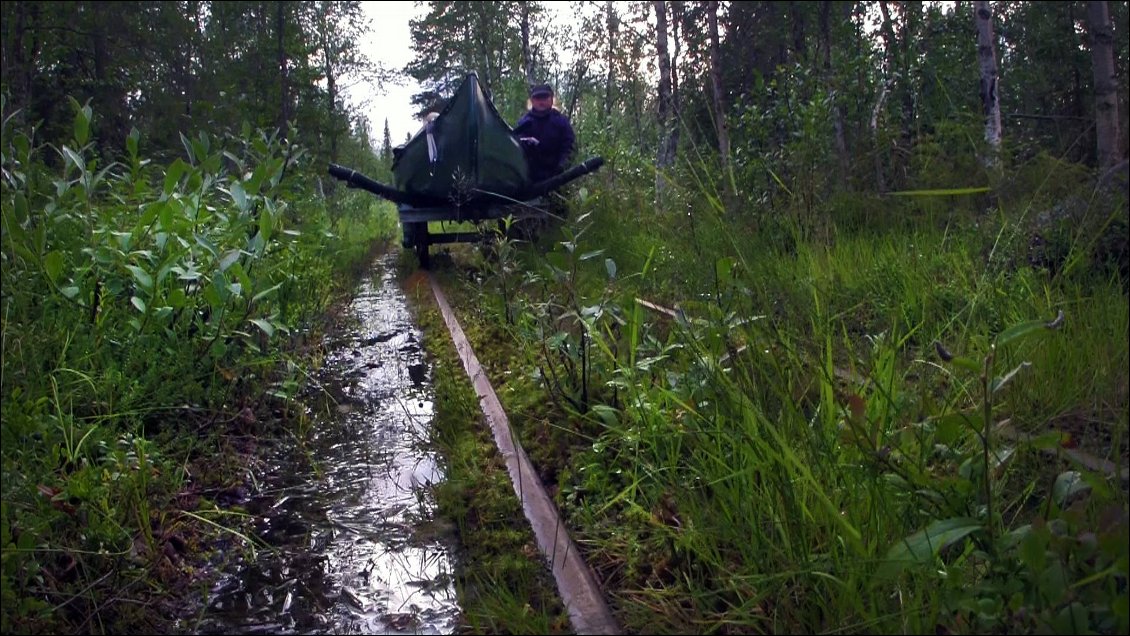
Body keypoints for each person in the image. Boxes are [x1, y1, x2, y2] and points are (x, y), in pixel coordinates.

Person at [513, 83, 576, 184]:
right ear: (532, 101)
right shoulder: (524, 123)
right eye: (538, 98)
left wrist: (562, 168)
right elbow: (516, 151)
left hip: (556, 177)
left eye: (545, 97)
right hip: (530, 180)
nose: (541, 102)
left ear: (551, 99)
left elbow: (570, 147)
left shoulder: (561, 122)